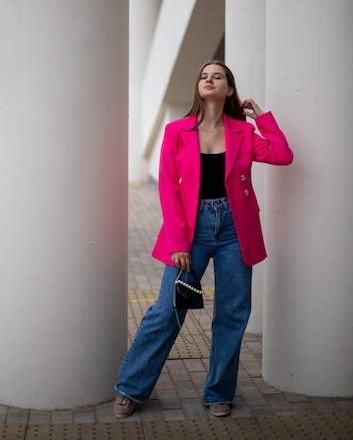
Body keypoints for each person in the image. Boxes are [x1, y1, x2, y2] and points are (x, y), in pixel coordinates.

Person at [114, 60, 293, 418]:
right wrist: (179, 241)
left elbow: (283, 155)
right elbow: (167, 187)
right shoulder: (177, 131)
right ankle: (131, 387)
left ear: (229, 90)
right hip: (190, 227)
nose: (209, 79)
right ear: (199, 87)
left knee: (232, 312)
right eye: (204, 76)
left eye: (218, 77)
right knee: (167, 310)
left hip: (234, 228)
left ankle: (219, 393)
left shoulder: (242, 132)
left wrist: (262, 117)